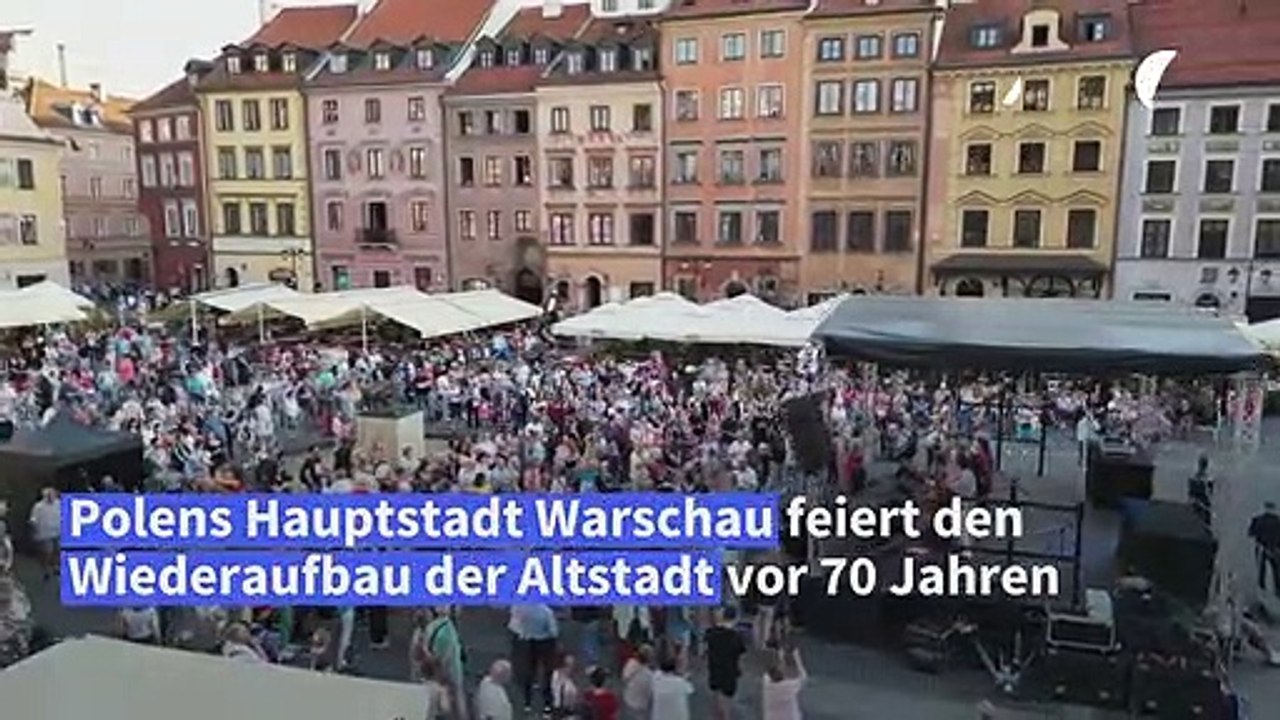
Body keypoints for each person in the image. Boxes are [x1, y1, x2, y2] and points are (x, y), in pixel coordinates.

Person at [509, 603, 559, 713]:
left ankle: (527, 702)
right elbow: (553, 631)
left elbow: (516, 625)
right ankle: (547, 703)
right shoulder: (546, 612)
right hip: (545, 642)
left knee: (530, 669)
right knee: (547, 671)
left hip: (530, 642)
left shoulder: (524, 608)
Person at [704, 607, 746, 720]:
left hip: (714, 669)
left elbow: (706, 649)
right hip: (730, 671)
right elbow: (741, 655)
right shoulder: (736, 636)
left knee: (716, 698)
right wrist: (740, 669)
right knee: (727, 702)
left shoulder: (711, 633)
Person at [762, 646, 807, 720]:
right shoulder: (786, 687)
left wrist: (781, 656)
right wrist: (796, 657)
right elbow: (803, 677)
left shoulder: (766, 682)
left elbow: (773, 671)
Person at [28, 488, 60, 580]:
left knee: (57, 551)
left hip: (57, 531)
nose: (51, 497)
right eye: (48, 495)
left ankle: (55, 567)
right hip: (44, 532)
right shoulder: (38, 506)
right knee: (47, 552)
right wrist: (34, 528)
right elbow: (33, 519)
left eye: (52, 495)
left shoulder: (59, 504)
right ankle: (45, 570)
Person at [1248, 502, 1280, 596]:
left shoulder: (1257, 520)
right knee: (1276, 570)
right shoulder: (1278, 521)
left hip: (1261, 547)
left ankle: (1262, 589)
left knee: (1261, 570)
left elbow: (1250, 533)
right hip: (1274, 548)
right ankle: (1277, 590)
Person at [648, 655, 692, 720]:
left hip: (660, 716)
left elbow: (657, 674)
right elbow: (690, 690)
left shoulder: (656, 679)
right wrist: (684, 677)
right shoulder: (680, 682)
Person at [621, 644, 654, 720]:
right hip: (643, 704)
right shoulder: (650, 674)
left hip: (629, 700)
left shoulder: (630, 663)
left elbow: (624, 678)